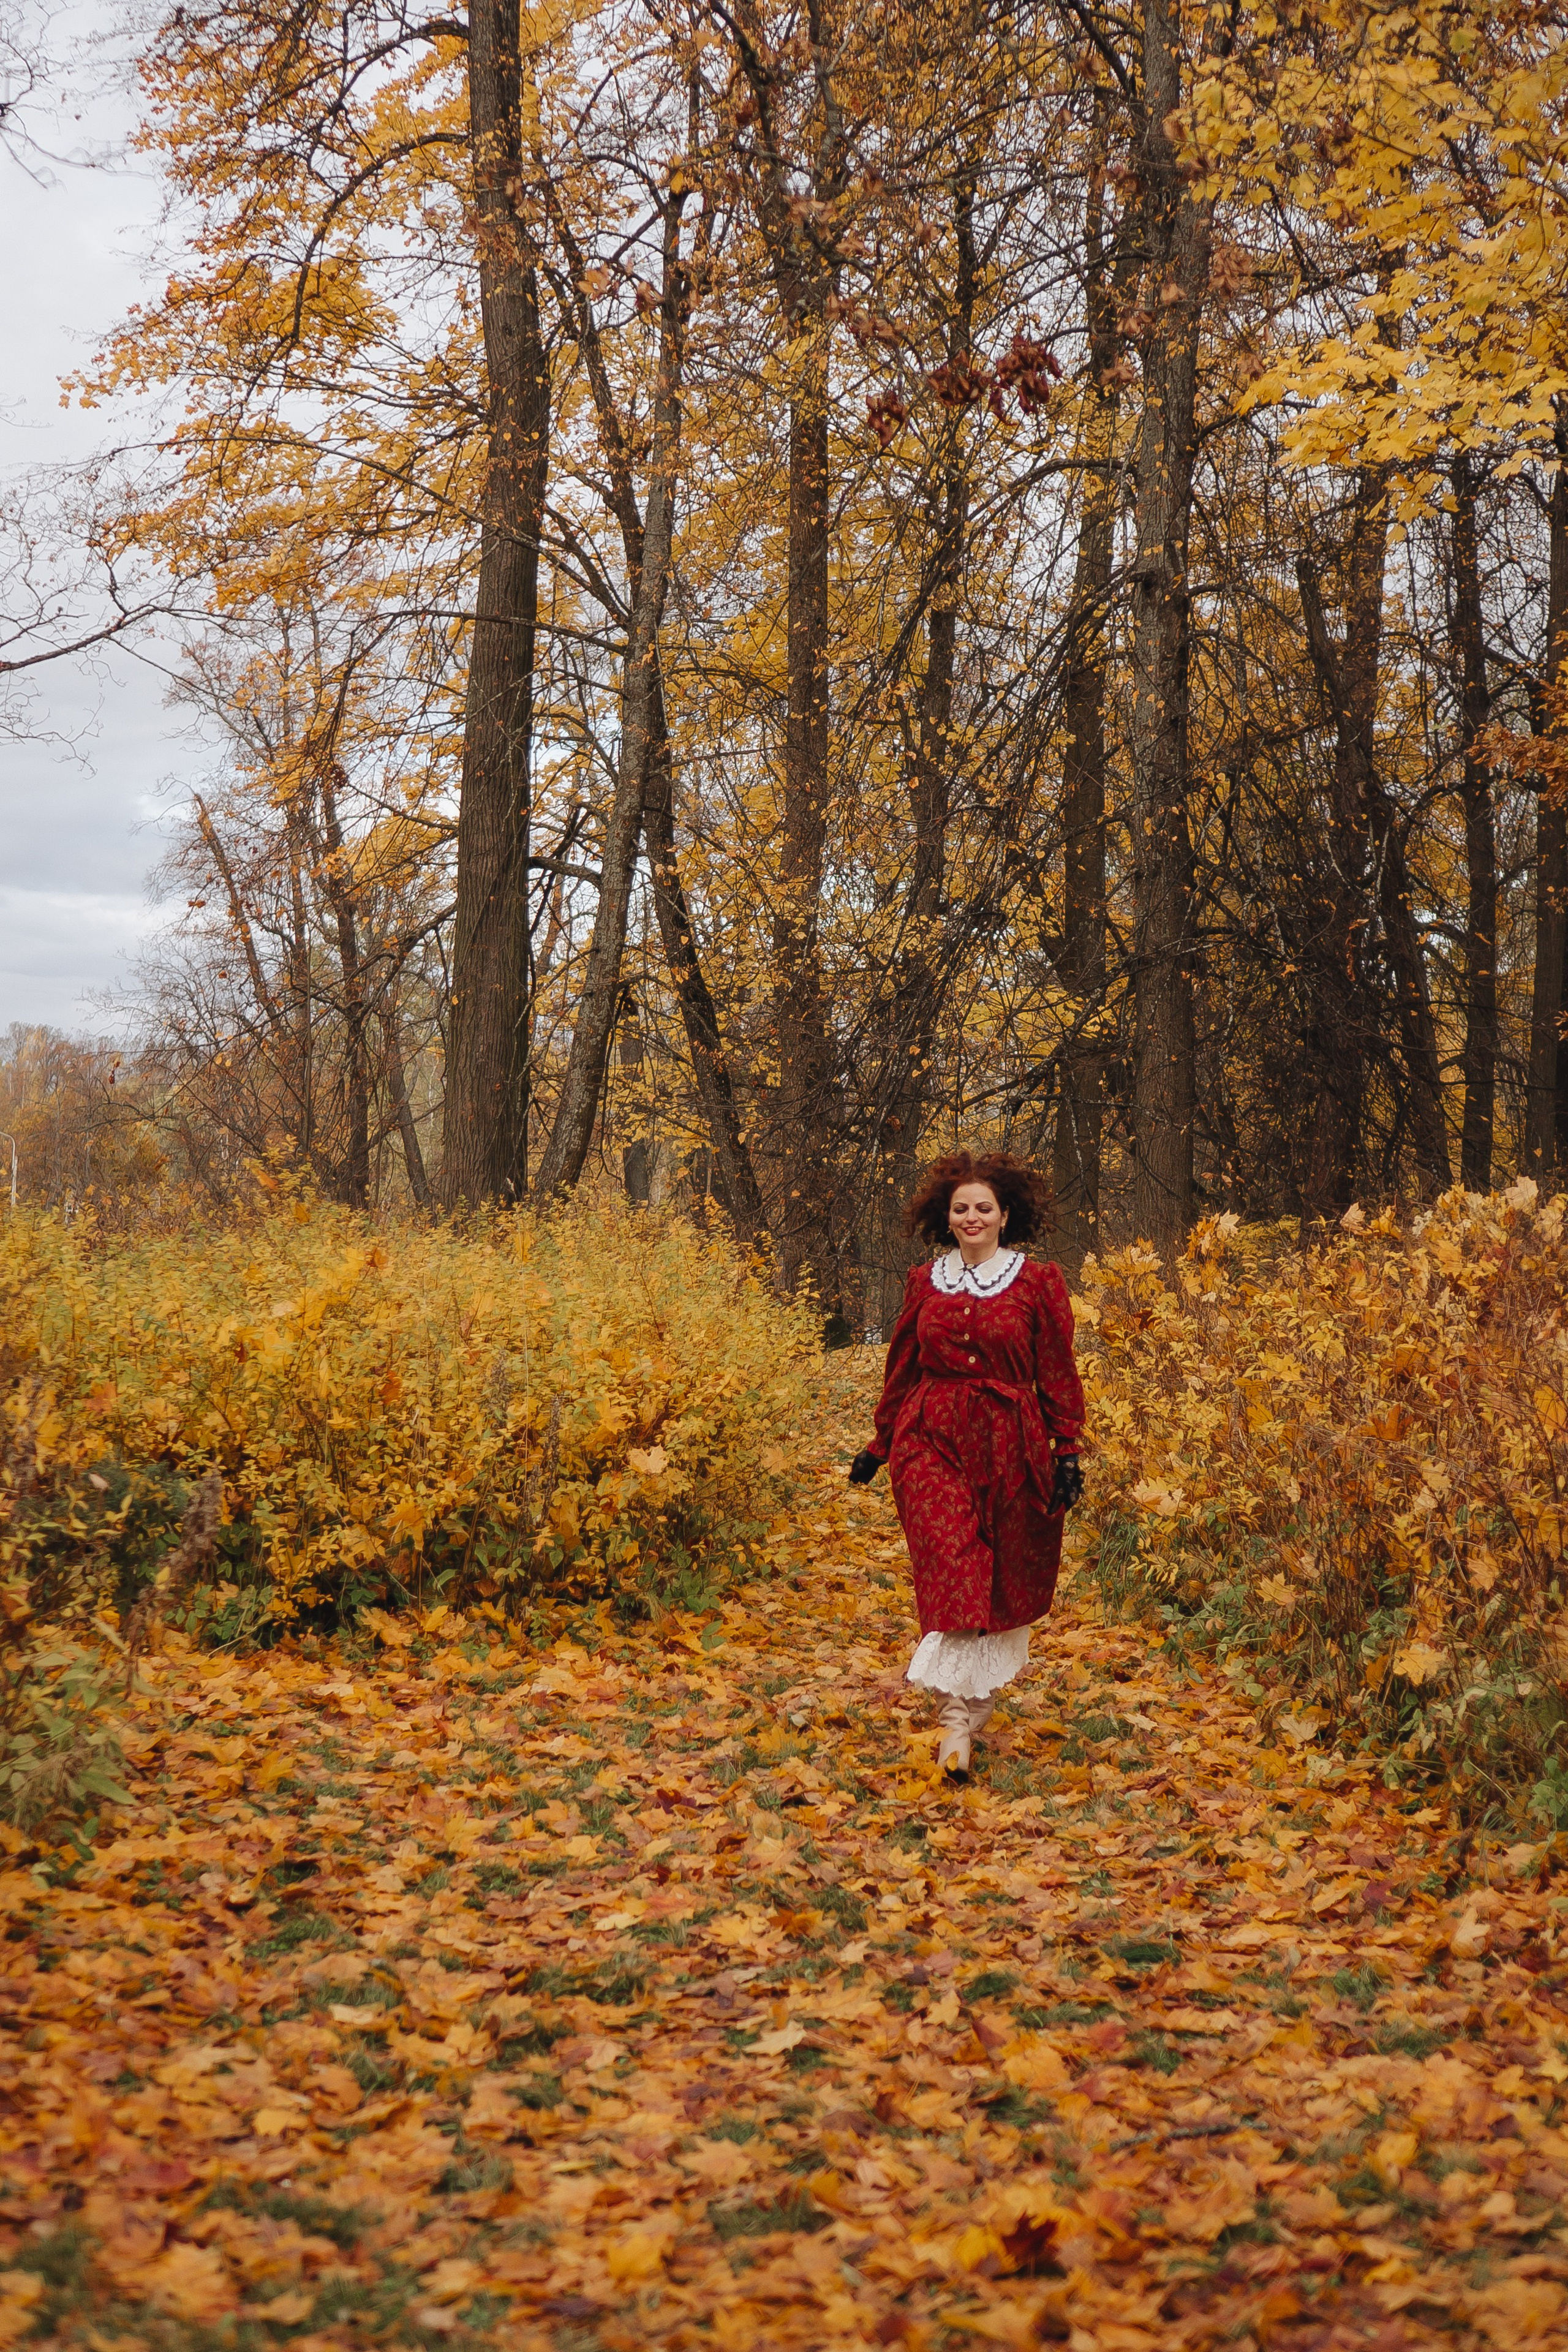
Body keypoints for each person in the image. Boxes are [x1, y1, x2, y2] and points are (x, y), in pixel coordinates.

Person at [848, 1150, 1085, 1779]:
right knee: (951, 1566)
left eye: (984, 1207)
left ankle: (972, 1713)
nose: (972, 1216)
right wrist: (880, 1443)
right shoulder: (925, 1282)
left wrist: (1067, 1449)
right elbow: (901, 1364)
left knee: (998, 1584)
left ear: (1005, 1215)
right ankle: (955, 1727)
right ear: (945, 1218)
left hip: (1012, 1442)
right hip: (932, 1437)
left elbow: (1058, 1372)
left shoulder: (1037, 1283)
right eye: (961, 1209)